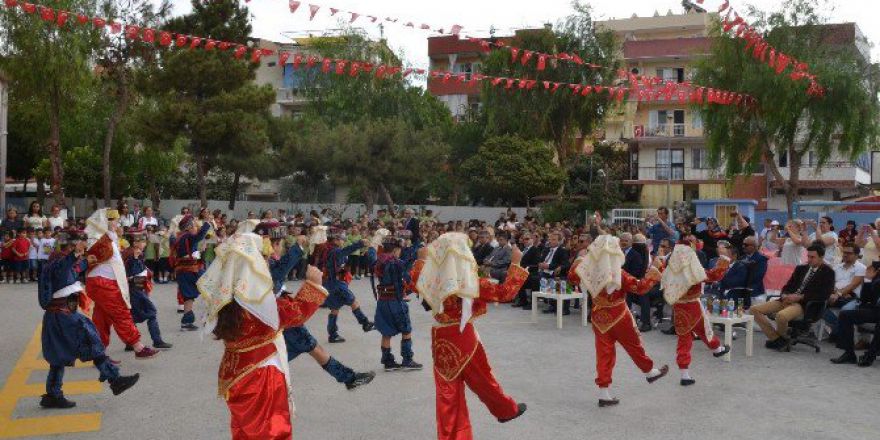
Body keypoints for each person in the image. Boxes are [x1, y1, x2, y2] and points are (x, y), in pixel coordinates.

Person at [199, 232, 329, 440]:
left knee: (244, 429)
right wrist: (313, 284)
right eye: (262, 257)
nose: (266, 261)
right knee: (269, 430)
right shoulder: (255, 301)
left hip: (234, 369)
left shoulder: (225, 295)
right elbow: (294, 313)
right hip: (261, 371)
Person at [411, 232, 528, 439]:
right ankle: (505, 410)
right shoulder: (470, 282)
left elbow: (416, 283)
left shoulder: (432, 277)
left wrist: (421, 259)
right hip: (463, 336)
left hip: (440, 337)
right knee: (483, 379)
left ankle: (451, 436)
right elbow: (505, 293)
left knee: (447, 393)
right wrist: (516, 264)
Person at [37, 232, 140, 409]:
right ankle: (114, 379)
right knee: (92, 341)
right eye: (81, 244)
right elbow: (65, 265)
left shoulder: (59, 263)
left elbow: (72, 269)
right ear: (70, 246)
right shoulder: (59, 261)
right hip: (63, 316)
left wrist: (85, 261)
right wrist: (75, 254)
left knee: (58, 358)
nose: (84, 246)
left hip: (60, 315)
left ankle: (52, 395)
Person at [567, 235, 669, 407]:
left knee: (604, 354)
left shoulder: (588, 269)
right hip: (619, 315)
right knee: (634, 345)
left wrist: (578, 261)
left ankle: (604, 392)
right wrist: (654, 270)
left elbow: (572, 278)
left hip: (599, 316)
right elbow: (640, 287)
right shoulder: (618, 273)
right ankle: (649, 371)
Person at [268, 236, 376, 390]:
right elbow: (278, 272)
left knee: (312, 346)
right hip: (280, 318)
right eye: (281, 245)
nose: (282, 248)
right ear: (273, 246)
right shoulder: (264, 265)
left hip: (283, 318)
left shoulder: (263, 264)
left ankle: (348, 377)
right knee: (276, 355)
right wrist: (297, 248)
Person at [85, 209, 159, 359]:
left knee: (102, 319)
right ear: (104, 222)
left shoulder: (108, 238)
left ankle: (99, 354)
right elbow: (98, 253)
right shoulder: (96, 238)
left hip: (105, 283)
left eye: (117, 220)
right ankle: (138, 347)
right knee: (121, 313)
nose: (117, 223)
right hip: (103, 284)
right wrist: (111, 233)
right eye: (114, 220)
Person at [661, 244, 731, 386]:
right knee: (704, 329)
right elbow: (714, 275)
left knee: (684, 340)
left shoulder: (670, 271)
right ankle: (717, 348)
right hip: (693, 305)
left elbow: (661, 277)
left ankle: (685, 374)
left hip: (678, 307)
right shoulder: (694, 270)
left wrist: (661, 262)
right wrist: (724, 261)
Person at [749, 244, 835, 351]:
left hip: (804, 304)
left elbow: (824, 294)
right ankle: (777, 339)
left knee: (781, 316)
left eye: (812, 257)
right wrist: (784, 294)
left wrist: (800, 297)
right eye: (808, 256)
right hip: (786, 299)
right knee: (754, 310)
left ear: (821, 257)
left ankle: (779, 340)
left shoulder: (828, 273)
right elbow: (788, 286)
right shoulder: (801, 268)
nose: (809, 259)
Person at [368, 234, 423, 371]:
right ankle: (407, 359)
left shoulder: (378, 260)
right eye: (399, 250)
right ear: (395, 250)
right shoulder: (396, 263)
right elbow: (406, 277)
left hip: (382, 300)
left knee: (386, 332)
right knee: (406, 330)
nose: (400, 252)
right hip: (395, 301)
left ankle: (388, 362)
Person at [322, 230, 374, 343]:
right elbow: (347, 250)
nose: (343, 241)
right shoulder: (336, 251)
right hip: (337, 284)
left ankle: (332, 335)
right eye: (341, 239)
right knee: (353, 302)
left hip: (329, 284)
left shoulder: (328, 249)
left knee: (334, 309)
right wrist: (360, 243)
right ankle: (365, 323)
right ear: (335, 240)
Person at [123, 233, 172, 351]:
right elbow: (132, 273)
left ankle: (131, 342)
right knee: (151, 312)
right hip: (135, 287)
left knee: (133, 316)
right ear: (135, 243)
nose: (145, 243)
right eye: (143, 241)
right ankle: (157, 340)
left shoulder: (131, 253)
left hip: (135, 287)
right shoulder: (133, 254)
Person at [830, 260, 880, 367]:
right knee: (845, 314)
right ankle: (849, 353)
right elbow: (865, 299)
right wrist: (868, 280)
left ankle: (870, 356)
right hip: (875, 310)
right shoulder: (877, 276)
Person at [173, 214, 212, 330]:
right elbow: (199, 236)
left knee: (188, 296)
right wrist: (207, 224)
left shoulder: (181, 236)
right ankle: (213, 315)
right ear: (189, 227)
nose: (196, 227)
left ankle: (186, 323)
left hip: (184, 271)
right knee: (209, 286)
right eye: (194, 225)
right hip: (190, 270)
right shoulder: (187, 236)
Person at [824, 243, 865, 340]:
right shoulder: (837, 267)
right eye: (844, 252)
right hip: (836, 295)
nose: (845, 255)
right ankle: (837, 329)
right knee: (817, 304)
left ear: (856, 255)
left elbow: (853, 285)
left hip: (853, 298)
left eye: (849, 253)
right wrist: (835, 293)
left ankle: (835, 333)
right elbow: (830, 283)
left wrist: (838, 294)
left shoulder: (861, 268)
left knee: (845, 310)